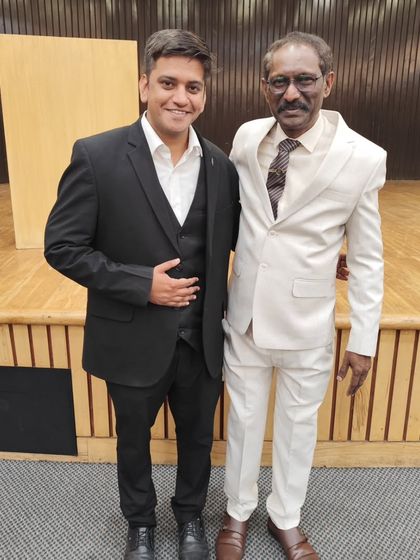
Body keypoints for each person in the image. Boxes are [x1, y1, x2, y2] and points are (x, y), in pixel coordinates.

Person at [45, 29, 240, 560]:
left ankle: (190, 517)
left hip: (201, 339)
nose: (181, 97)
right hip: (130, 337)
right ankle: (140, 524)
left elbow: (243, 239)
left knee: (198, 437)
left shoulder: (221, 166)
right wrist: (140, 284)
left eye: (193, 87)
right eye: (168, 83)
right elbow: (62, 247)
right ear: (143, 85)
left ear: (204, 95)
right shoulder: (97, 155)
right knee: (132, 438)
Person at [216, 31, 386, 560]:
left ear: (328, 83)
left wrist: (363, 340)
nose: (291, 93)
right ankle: (237, 511)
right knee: (243, 421)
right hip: (245, 314)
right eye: (280, 81)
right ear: (265, 86)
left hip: (308, 323)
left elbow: (367, 257)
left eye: (305, 80)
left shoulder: (363, 157)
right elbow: (246, 219)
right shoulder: (247, 138)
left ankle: (285, 517)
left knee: (297, 428)